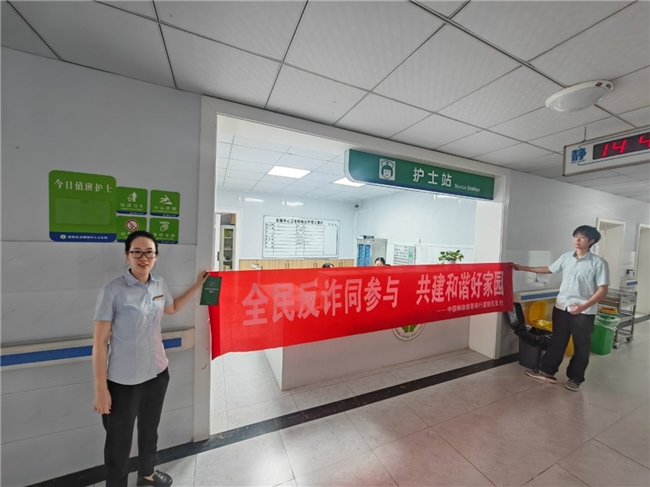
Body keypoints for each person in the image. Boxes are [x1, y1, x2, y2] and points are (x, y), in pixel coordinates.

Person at [93, 231, 209, 487]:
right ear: (127, 255)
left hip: (157, 374)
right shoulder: (112, 291)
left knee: (150, 429)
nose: (143, 258)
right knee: (118, 443)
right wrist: (101, 390)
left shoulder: (159, 284)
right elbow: (100, 343)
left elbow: (172, 308)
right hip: (123, 382)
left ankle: (146, 474)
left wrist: (197, 286)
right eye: (137, 252)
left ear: (156, 256)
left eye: (149, 252)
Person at [513, 225, 609, 391]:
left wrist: (583, 306)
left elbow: (603, 290)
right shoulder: (566, 257)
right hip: (562, 307)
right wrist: (523, 268)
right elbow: (549, 269)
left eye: (582, 237)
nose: (577, 240)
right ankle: (547, 372)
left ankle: (575, 379)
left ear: (591, 241)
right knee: (557, 341)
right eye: (576, 236)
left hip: (584, 312)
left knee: (581, 346)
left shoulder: (599, 263)